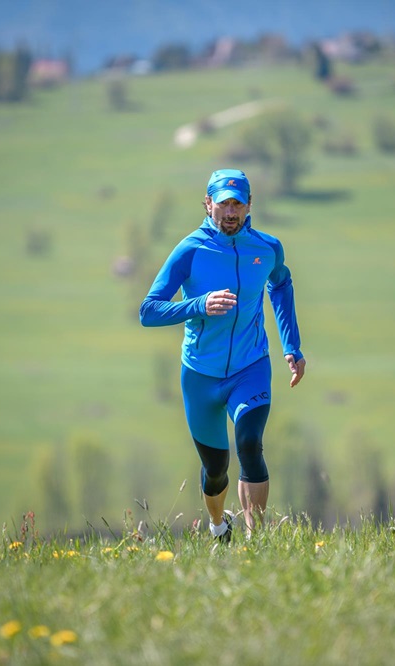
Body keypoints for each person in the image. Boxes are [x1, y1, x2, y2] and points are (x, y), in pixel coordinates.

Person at [140, 168, 305, 542]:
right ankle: (218, 528)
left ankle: (255, 542)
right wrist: (198, 304)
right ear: (208, 203)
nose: (230, 212)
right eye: (223, 204)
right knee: (216, 469)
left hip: (251, 367)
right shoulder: (190, 250)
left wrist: (291, 346)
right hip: (201, 375)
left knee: (249, 442)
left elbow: (281, 285)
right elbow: (149, 311)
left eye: (238, 203)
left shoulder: (267, 248)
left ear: (249, 206)